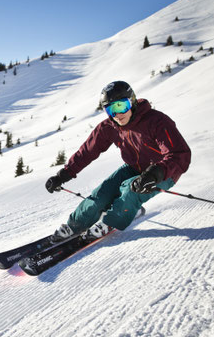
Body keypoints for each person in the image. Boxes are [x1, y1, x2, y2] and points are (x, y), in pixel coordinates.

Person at [45, 81, 191, 242]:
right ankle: (75, 225)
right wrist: (64, 174)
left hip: (163, 173)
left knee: (130, 190)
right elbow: (86, 152)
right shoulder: (109, 126)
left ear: (132, 101)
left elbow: (179, 154)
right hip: (133, 167)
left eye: (121, 106)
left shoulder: (156, 121)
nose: (117, 114)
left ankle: (110, 222)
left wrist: (156, 173)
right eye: (110, 109)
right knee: (102, 194)